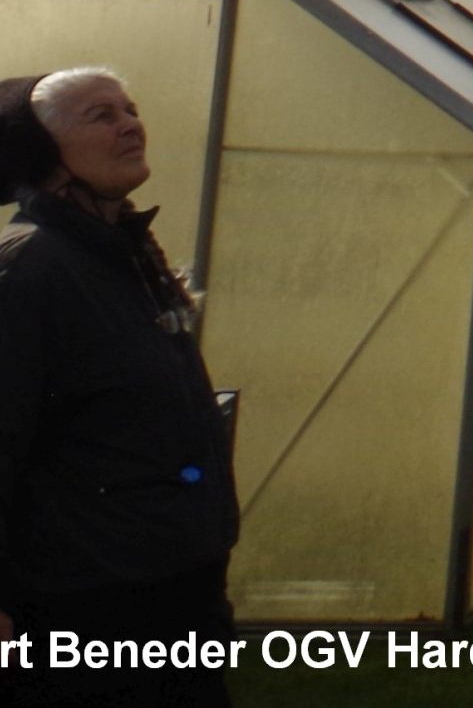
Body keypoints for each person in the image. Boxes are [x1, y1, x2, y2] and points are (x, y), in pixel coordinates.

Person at [0, 69, 238, 706]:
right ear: (42, 155)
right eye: (99, 115)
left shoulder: (124, 252)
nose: (131, 123)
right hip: (87, 612)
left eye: (129, 108)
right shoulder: (30, 268)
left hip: (178, 595)